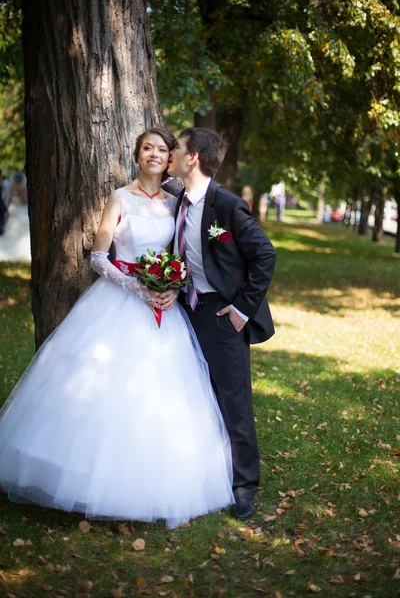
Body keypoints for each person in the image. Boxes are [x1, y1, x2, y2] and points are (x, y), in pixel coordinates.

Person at [0, 128, 234, 529]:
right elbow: (97, 256)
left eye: (163, 149)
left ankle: (158, 482)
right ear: (137, 155)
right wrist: (137, 287)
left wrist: (173, 290)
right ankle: (86, 483)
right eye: (148, 148)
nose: (155, 155)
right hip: (118, 302)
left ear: (171, 158)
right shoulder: (119, 197)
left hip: (165, 309)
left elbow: (185, 255)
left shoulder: (177, 203)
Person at [165, 128, 276, 520]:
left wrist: (241, 310)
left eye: (175, 149)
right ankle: (204, 472)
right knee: (195, 396)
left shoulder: (227, 206)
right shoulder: (177, 199)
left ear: (192, 157)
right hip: (185, 312)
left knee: (234, 400)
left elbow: (265, 255)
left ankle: (245, 485)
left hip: (222, 315)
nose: (170, 155)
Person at [0, 172, 30, 262]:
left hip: (14, 211)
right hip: (23, 211)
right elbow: (26, 202)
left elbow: (8, 201)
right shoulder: (24, 189)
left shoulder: (11, 188)